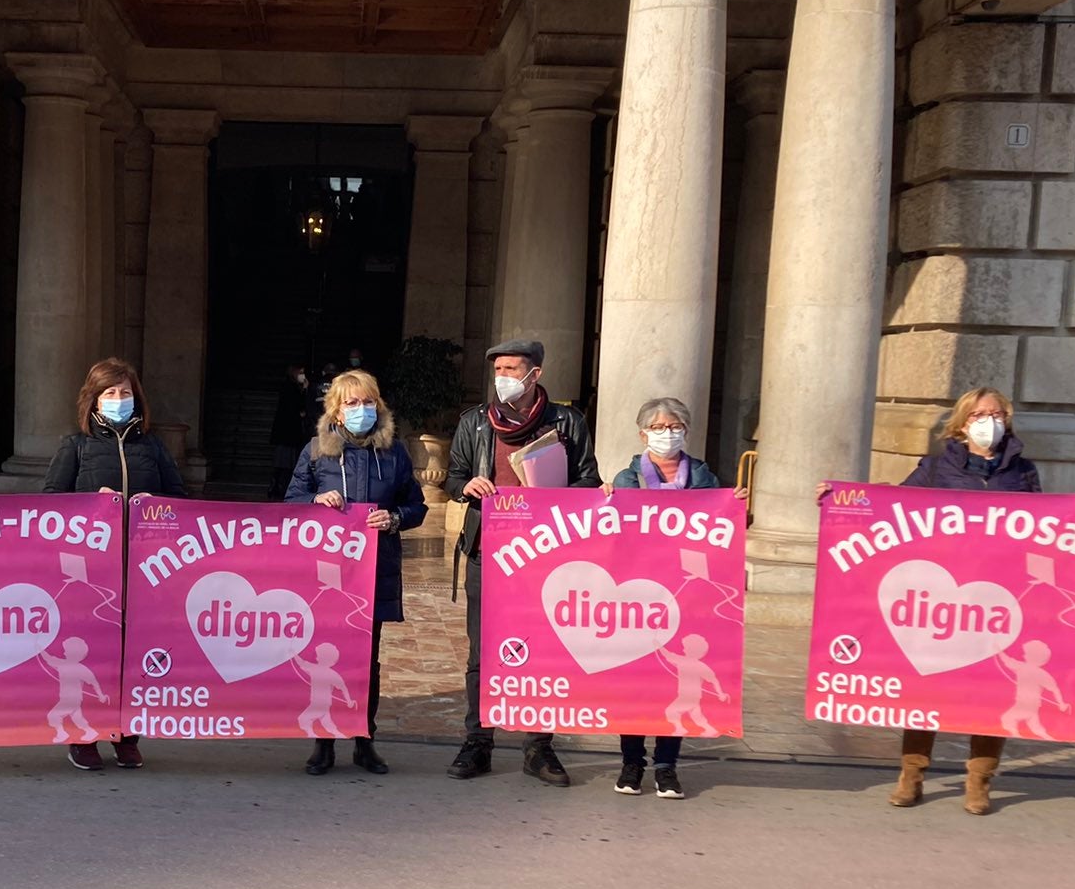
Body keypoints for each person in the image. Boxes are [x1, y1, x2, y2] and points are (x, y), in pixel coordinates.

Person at [829, 386, 1075, 815]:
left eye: (997, 414)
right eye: (979, 415)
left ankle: (979, 780)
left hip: (999, 598)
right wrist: (842, 500)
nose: (989, 421)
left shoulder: (1022, 472)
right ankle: (911, 775)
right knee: (925, 690)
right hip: (943, 600)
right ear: (962, 423)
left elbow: (1047, 525)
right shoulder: (935, 467)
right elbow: (893, 507)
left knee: (994, 692)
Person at [445, 338, 601, 787]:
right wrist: (466, 487)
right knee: (482, 651)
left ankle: (539, 746)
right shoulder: (475, 422)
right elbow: (454, 476)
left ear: (535, 375)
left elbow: (589, 480)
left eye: (512, 369)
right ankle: (478, 742)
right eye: (498, 370)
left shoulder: (567, 422)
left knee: (544, 650)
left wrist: (552, 495)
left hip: (545, 553)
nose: (503, 378)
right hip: (488, 551)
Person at [42, 356, 185, 771]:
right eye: (110, 392)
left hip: (142, 568)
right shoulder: (76, 445)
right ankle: (83, 736)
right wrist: (91, 503)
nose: (119, 398)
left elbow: (180, 499)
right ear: (93, 399)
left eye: (125, 392)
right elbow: (50, 504)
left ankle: (126, 735)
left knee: (131, 655)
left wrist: (157, 506)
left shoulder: (152, 446)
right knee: (89, 654)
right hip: (90, 571)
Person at [285, 368, 427, 776]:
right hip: (329, 573)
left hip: (375, 570)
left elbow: (416, 506)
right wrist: (315, 500)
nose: (361, 409)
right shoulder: (317, 451)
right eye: (352, 402)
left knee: (368, 660)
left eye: (368, 402)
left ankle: (365, 740)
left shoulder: (395, 453)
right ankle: (323, 743)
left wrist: (395, 518)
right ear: (336, 409)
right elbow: (291, 500)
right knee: (326, 658)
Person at [607, 396, 746, 801]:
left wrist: (735, 506)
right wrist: (604, 499)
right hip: (640, 595)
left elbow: (720, 531)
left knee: (674, 685)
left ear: (685, 431)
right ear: (642, 434)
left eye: (674, 426)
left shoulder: (704, 479)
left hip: (687, 597)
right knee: (636, 682)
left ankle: (666, 766)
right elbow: (611, 533)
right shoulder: (626, 479)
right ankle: (632, 762)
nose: (666, 434)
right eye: (658, 427)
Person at [267, 365, 316, 499]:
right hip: (287, 432)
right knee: (284, 462)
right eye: (300, 372)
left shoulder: (291, 387)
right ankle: (277, 487)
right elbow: (298, 405)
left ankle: (277, 487)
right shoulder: (291, 388)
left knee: (284, 462)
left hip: (288, 433)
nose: (302, 375)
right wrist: (304, 391)